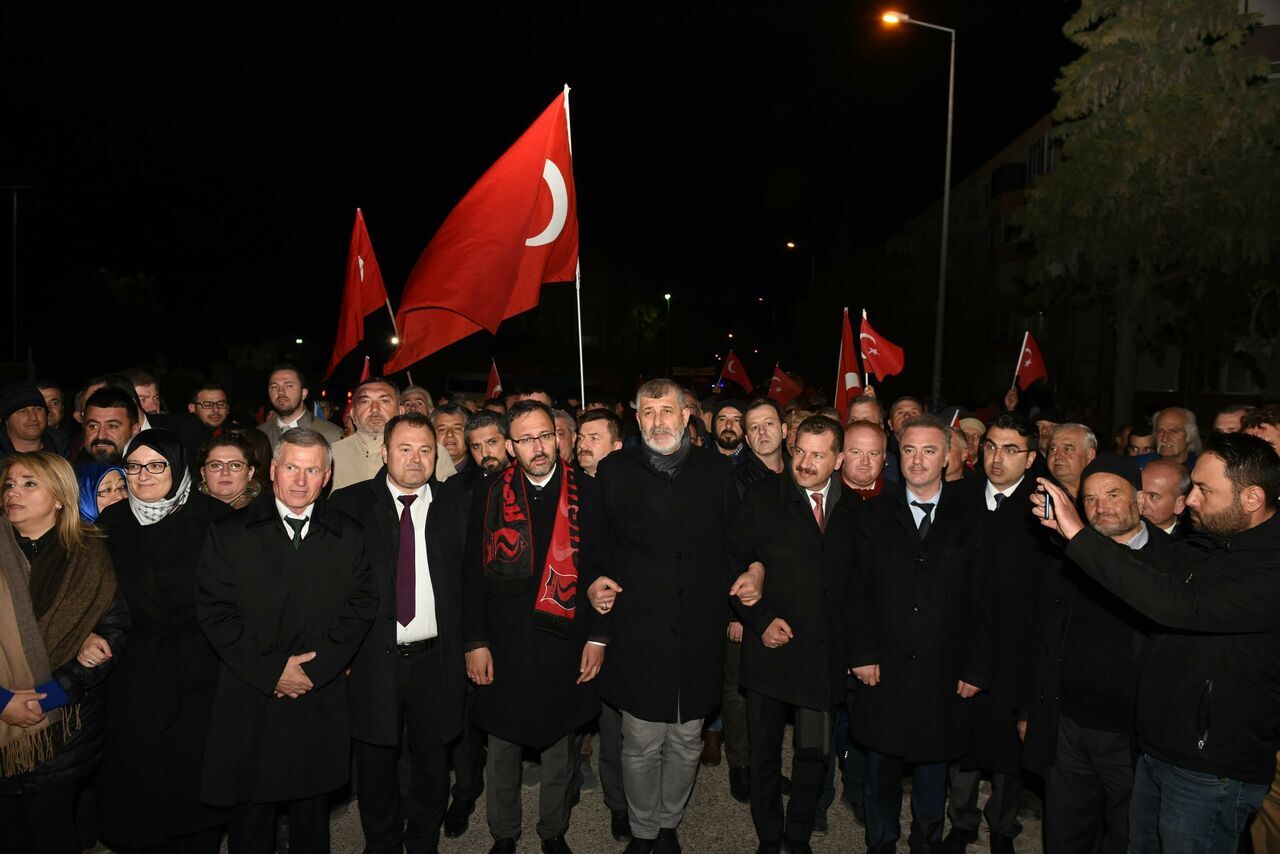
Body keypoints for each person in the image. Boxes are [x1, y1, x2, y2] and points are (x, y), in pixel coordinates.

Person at [1031, 432, 1280, 854]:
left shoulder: (1271, 568)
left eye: (1204, 490)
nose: (1191, 500)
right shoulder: (1211, 543)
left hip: (1210, 767)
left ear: (1252, 497)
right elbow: (1137, 565)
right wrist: (1071, 534)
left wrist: (1079, 534)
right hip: (1159, 748)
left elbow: (1178, 605)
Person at [585, 378, 748, 854]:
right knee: (639, 741)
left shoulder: (716, 471)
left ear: (686, 416)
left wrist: (748, 580)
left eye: (667, 411)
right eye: (648, 412)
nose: (658, 421)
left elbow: (735, 543)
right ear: (637, 419)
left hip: (699, 629)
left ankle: (669, 823)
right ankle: (642, 831)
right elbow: (594, 545)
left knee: (687, 739)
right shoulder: (614, 471)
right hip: (639, 629)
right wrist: (594, 580)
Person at [196, 427, 377, 853]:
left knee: (311, 819)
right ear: (273, 470)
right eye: (292, 468)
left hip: (317, 693)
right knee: (251, 817)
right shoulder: (229, 532)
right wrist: (273, 670)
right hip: (252, 693)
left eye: (312, 471)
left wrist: (314, 669)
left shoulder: (350, 534)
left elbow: (362, 605)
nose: (300, 480)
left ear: (327, 477)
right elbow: (215, 612)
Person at [463, 401, 604, 854]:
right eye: (526, 439)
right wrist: (475, 641)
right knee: (502, 746)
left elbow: (604, 569)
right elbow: (470, 574)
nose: (538, 447)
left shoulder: (588, 492)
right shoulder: (487, 493)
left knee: (561, 746)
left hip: (566, 639)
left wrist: (598, 637)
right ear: (510, 446)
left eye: (545, 435)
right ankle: (504, 833)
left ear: (559, 438)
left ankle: (553, 831)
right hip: (504, 643)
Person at [847, 414, 991, 854]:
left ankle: (926, 843)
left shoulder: (973, 519)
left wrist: (977, 666)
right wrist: (862, 653)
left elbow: (985, 601)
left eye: (929, 450)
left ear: (948, 457)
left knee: (933, 770)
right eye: (909, 450)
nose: (917, 460)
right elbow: (856, 591)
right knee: (880, 767)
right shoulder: (872, 514)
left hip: (944, 670)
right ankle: (881, 843)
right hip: (883, 667)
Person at [331, 413, 470, 854]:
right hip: (372, 658)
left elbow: (472, 583)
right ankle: (383, 843)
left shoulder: (457, 503)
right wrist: (339, 654)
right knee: (375, 764)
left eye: (425, 450)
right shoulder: (348, 504)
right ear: (385, 452)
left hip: (437, 658)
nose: (415, 458)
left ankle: (424, 840)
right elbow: (331, 586)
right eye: (405, 448)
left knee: (432, 761)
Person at [93, 429, 234, 853]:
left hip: (200, 668)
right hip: (132, 669)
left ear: (178, 468)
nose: (143, 475)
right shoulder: (110, 522)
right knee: (140, 781)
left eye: (157, 465)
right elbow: (93, 594)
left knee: (194, 782)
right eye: (134, 466)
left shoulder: (216, 519)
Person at [1024, 455, 1170, 854]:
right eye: (1089, 499)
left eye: (1112, 494)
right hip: (1067, 727)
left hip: (1133, 735)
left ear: (1140, 499)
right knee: (1066, 834)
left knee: (1129, 837)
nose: (1100, 506)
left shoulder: (1173, 561)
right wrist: (1030, 711)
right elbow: (1040, 638)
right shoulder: (1065, 557)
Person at [727, 416, 859, 854]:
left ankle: (797, 835)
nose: (804, 462)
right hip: (770, 648)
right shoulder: (763, 497)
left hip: (822, 657)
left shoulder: (853, 508)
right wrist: (760, 619)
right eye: (800, 450)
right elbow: (732, 560)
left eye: (817, 455)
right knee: (764, 752)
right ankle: (769, 837)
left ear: (838, 459)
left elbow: (861, 585)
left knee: (813, 753)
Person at [0, 452, 126, 854]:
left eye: (29, 483)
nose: (13, 492)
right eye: (9, 484)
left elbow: (114, 632)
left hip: (64, 725)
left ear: (59, 497)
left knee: (51, 832)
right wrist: (2, 701)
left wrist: (54, 693)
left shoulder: (90, 553)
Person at [943, 413, 1050, 854]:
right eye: (990, 446)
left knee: (1010, 746)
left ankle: (1003, 825)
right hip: (962, 644)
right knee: (960, 737)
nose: (997, 458)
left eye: (1010, 449)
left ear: (1030, 458)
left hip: (1017, 648)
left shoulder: (1043, 508)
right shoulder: (957, 497)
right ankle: (962, 821)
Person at [330, 377, 400, 491]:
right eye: (365, 402)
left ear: (401, 411)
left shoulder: (421, 454)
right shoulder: (330, 455)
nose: (375, 409)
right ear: (352, 413)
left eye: (384, 401)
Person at [255, 364, 342, 446]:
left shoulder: (332, 436)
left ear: (304, 393)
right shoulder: (259, 436)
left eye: (289, 386)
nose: (281, 392)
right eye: (274, 387)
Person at [0, 382, 69, 458]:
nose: (33, 417)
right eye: (22, 411)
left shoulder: (64, 451)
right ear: (6, 420)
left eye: (38, 409)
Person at [197, 433, 261, 509]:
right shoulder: (187, 509)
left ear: (250, 472)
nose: (225, 472)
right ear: (203, 473)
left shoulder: (266, 511)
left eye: (235, 465)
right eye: (216, 465)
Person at [79, 388, 141, 465]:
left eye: (112, 426)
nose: (101, 436)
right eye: (93, 426)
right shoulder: (70, 470)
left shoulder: (149, 470)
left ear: (135, 430)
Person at [1139, 459, 1189, 538]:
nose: (1141, 503)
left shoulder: (1191, 542)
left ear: (1179, 504)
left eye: (1153, 496)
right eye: (1138, 494)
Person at [1046, 423, 1097, 499]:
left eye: (1067, 449)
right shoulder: (1039, 496)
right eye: (1053, 449)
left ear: (1089, 455)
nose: (1057, 456)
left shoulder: (1104, 492)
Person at [575, 410, 623, 479]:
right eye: (580, 438)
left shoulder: (630, 481)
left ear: (616, 447)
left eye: (593, 438)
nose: (582, 445)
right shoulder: (565, 480)